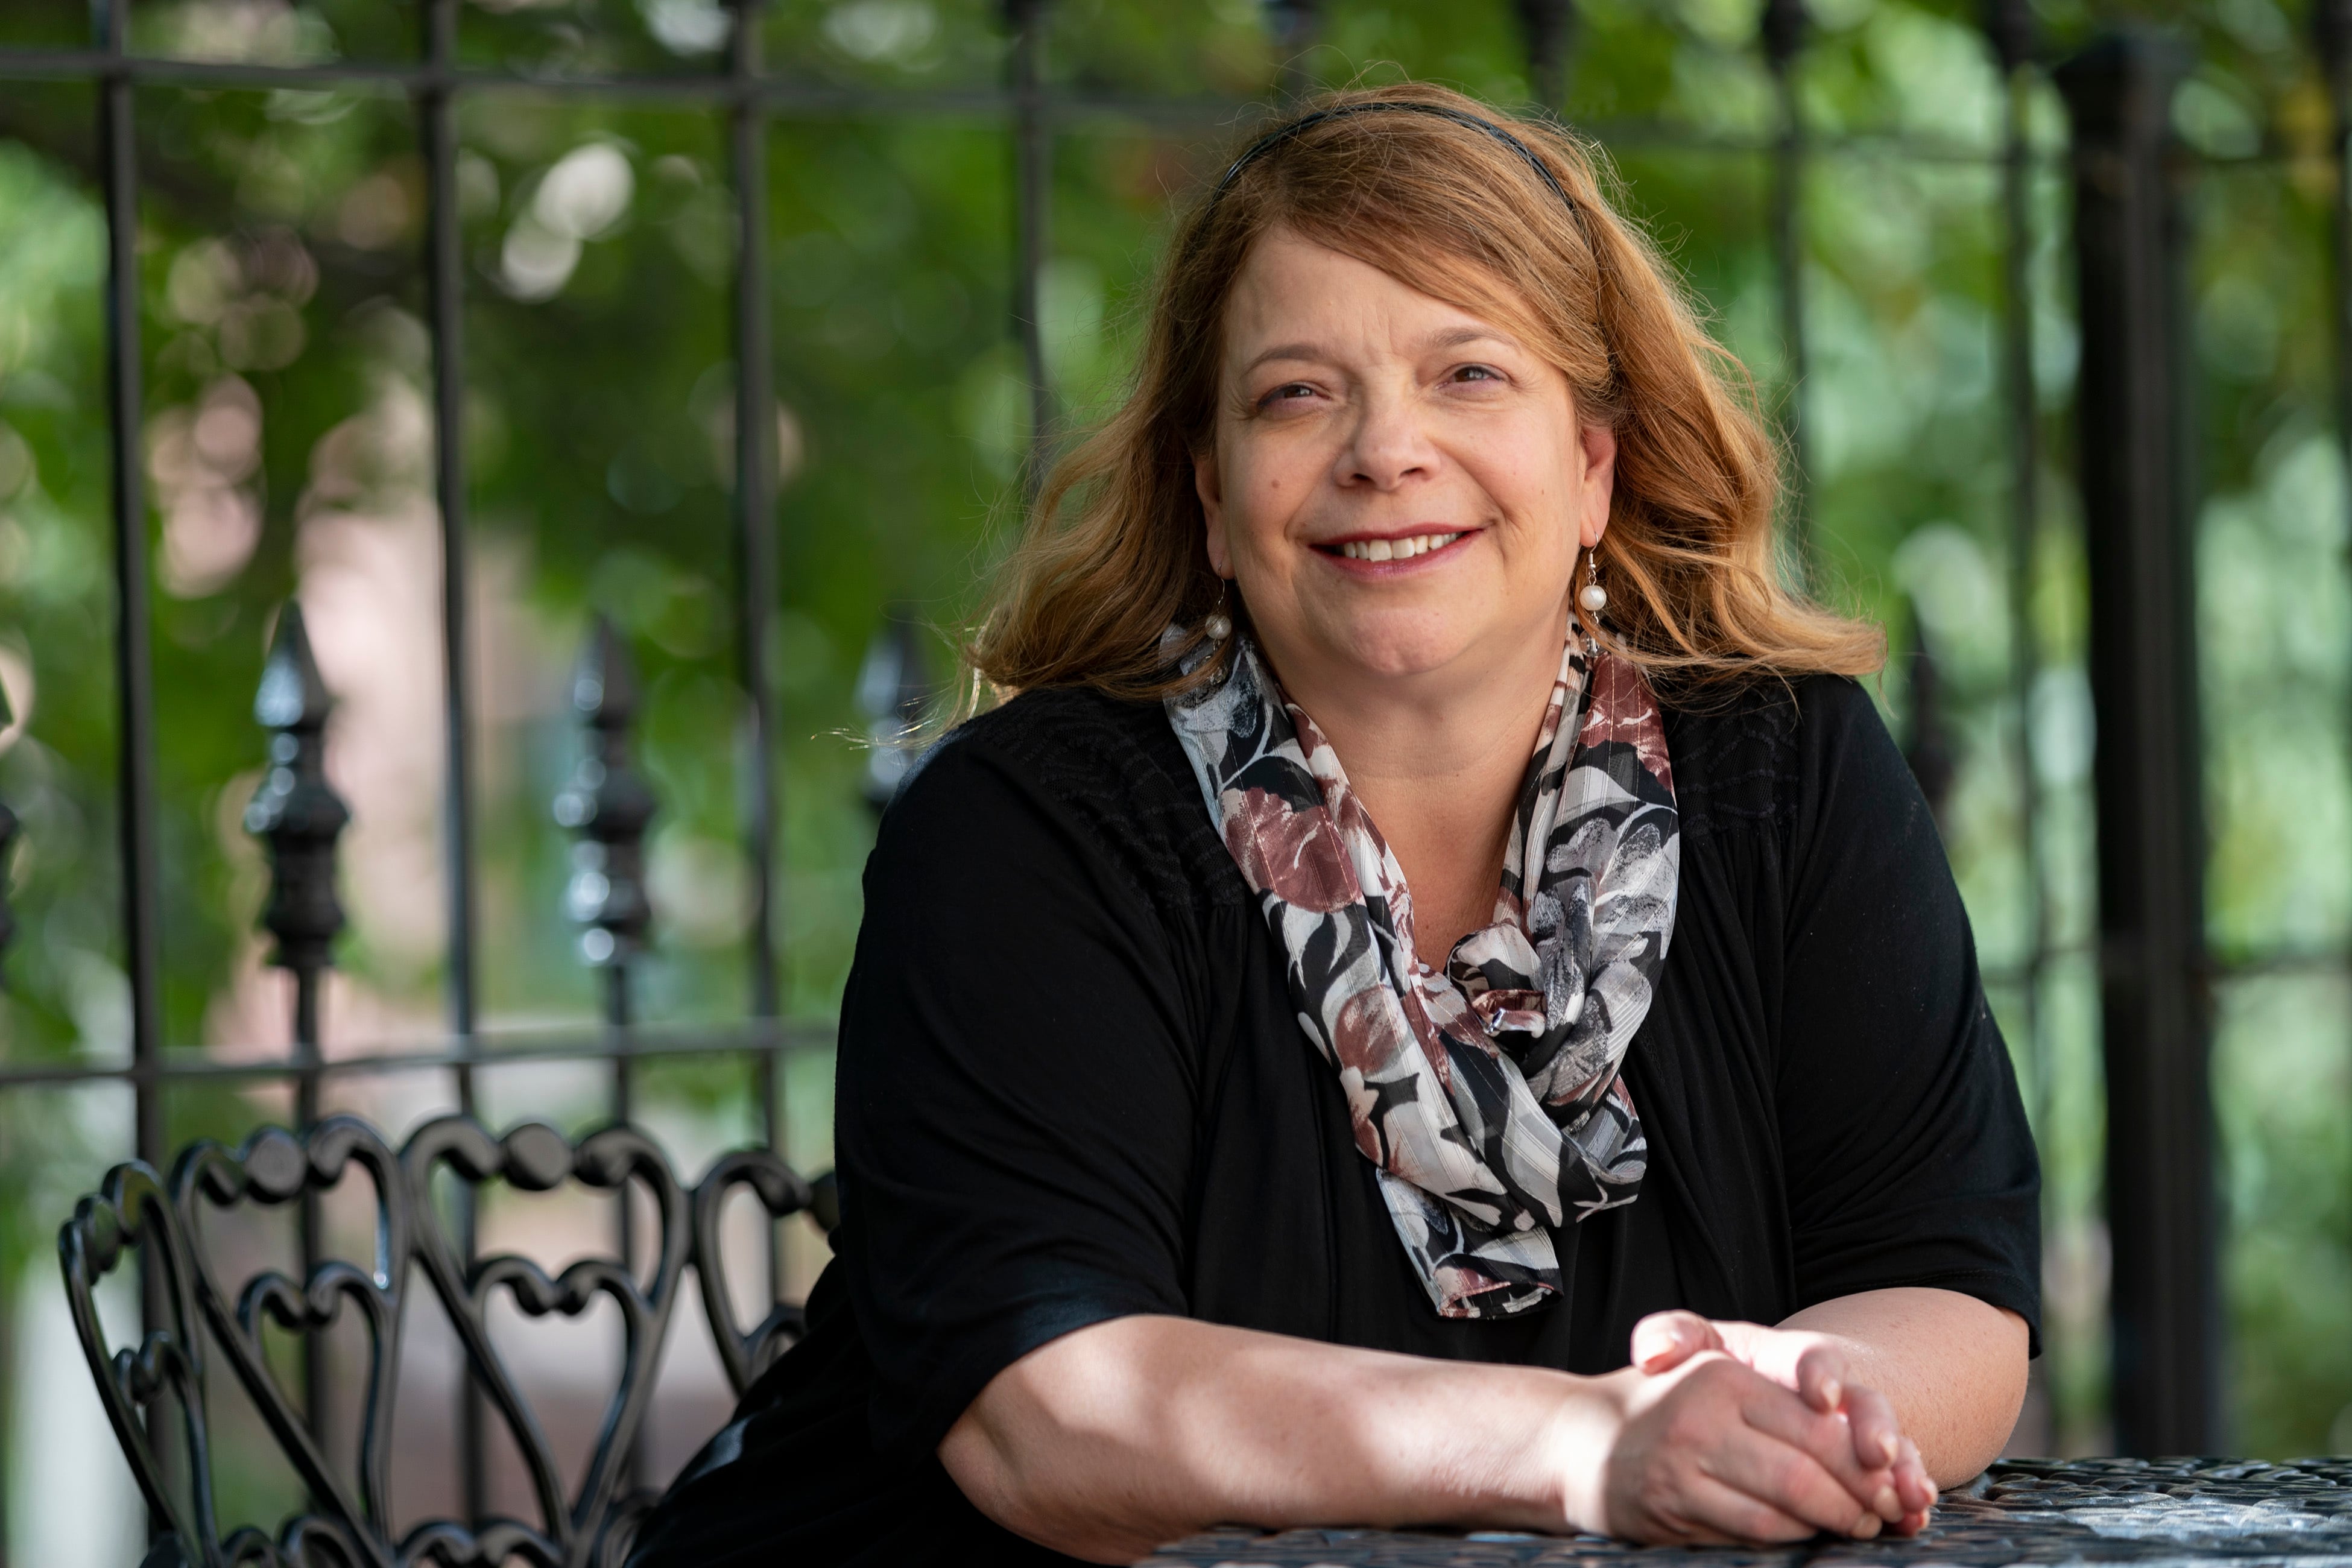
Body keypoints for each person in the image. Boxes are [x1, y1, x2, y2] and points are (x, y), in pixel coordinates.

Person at [628, 81, 2038, 1568]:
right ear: (1216, 498)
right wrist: (1585, 1446)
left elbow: (1941, 1279)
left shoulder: (1785, 770)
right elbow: (1048, 1412)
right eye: (1297, 393)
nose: (1386, 450)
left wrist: (1808, 1418)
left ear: (1593, 468)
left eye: (1470, 376)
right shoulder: (1028, 835)